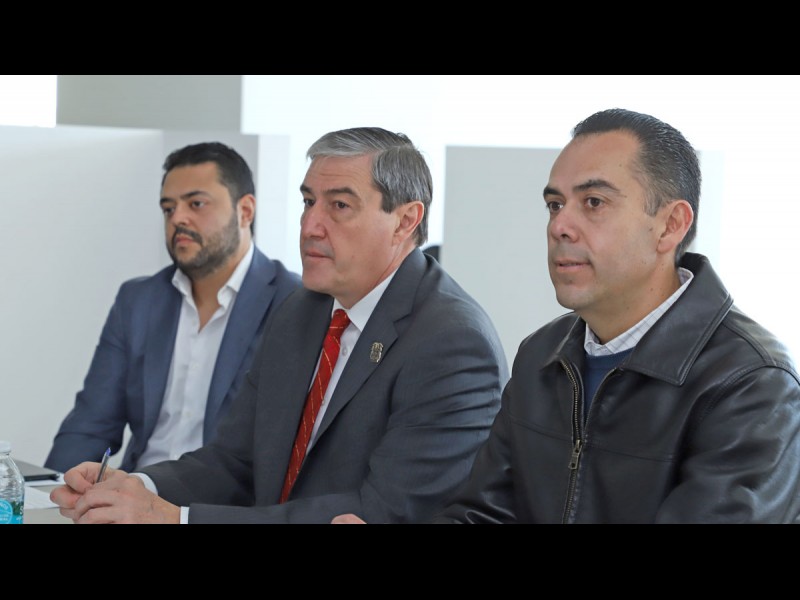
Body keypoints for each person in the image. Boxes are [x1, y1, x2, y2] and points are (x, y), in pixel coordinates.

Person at [338, 108, 800, 525]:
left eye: (593, 202)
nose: (559, 225)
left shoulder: (752, 383)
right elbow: (486, 513)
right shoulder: (543, 355)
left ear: (670, 225)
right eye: (555, 204)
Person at [50, 126, 509, 524]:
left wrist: (175, 518)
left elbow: (381, 510)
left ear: (405, 221)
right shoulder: (302, 310)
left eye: (339, 205)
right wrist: (137, 486)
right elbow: (235, 461)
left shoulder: (452, 343)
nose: (310, 225)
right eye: (308, 202)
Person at [45, 142, 302, 474]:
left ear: (245, 211)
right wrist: (51, 489)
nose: (178, 218)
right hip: (135, 490)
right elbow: (92, 425)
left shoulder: (293, 302)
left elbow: (271, 451)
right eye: (168, 208)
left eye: (196, 204)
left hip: (222, 497)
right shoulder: (139, 300)